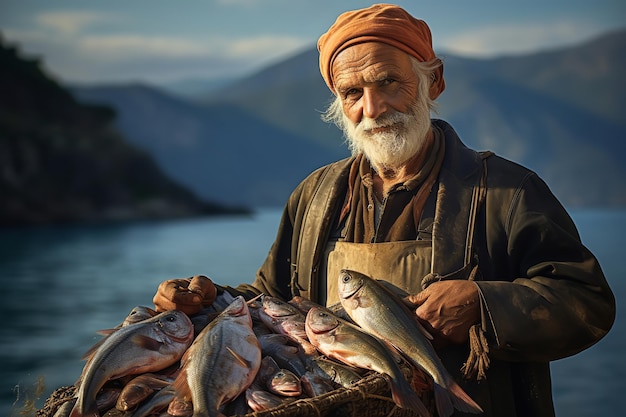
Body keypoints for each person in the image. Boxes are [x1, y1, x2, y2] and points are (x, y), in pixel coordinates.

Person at [153, 4, 615, 416]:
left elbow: (588, 303)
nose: (372, 108)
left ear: (432, 80)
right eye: (352, 93)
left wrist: (484, 305)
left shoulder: (507, 192)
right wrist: (205, 301)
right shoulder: (313, 196)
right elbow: (271, 301)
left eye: (388, 82)